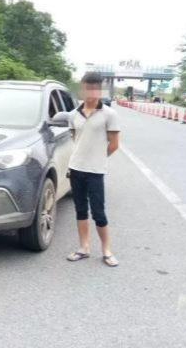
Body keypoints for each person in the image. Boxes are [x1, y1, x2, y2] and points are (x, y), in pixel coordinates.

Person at [66, 72, 121, 267]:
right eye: (87, 88)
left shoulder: (109, 114)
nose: (91, 92)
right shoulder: (73, 115)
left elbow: (114, 144)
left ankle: (106, 250)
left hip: (96, 171)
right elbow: (75, 139)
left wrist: (98, 158)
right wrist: (81, 158)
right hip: (76, 169)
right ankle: (83, 248)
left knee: (99, 212)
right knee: (80, 210)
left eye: (95, 88)